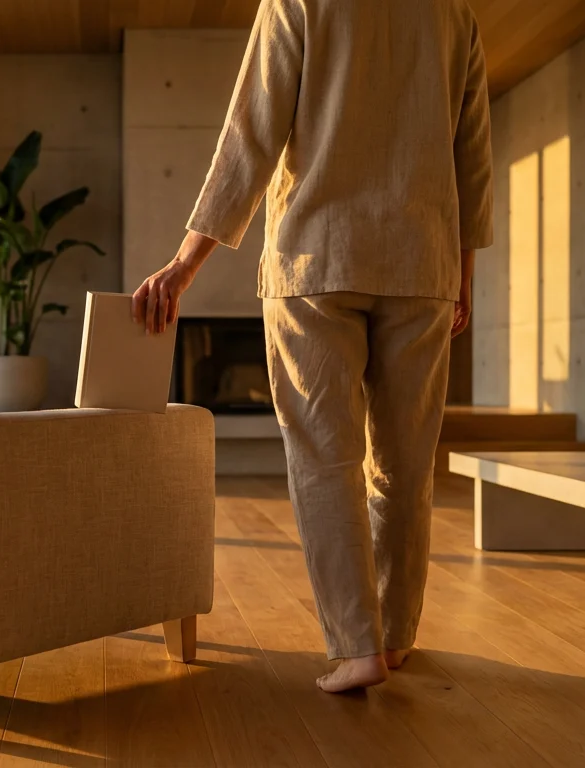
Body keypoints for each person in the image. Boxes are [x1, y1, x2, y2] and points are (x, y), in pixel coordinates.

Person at [132, 0, 493, 693]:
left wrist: (185, 263)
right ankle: (393, 638)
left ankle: (355, 646)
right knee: (406, 465)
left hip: (315, 260)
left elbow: (251, 134)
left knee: (326, 459)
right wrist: (462, 273)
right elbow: (471, 154)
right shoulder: (455, 16)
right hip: (423, 265)